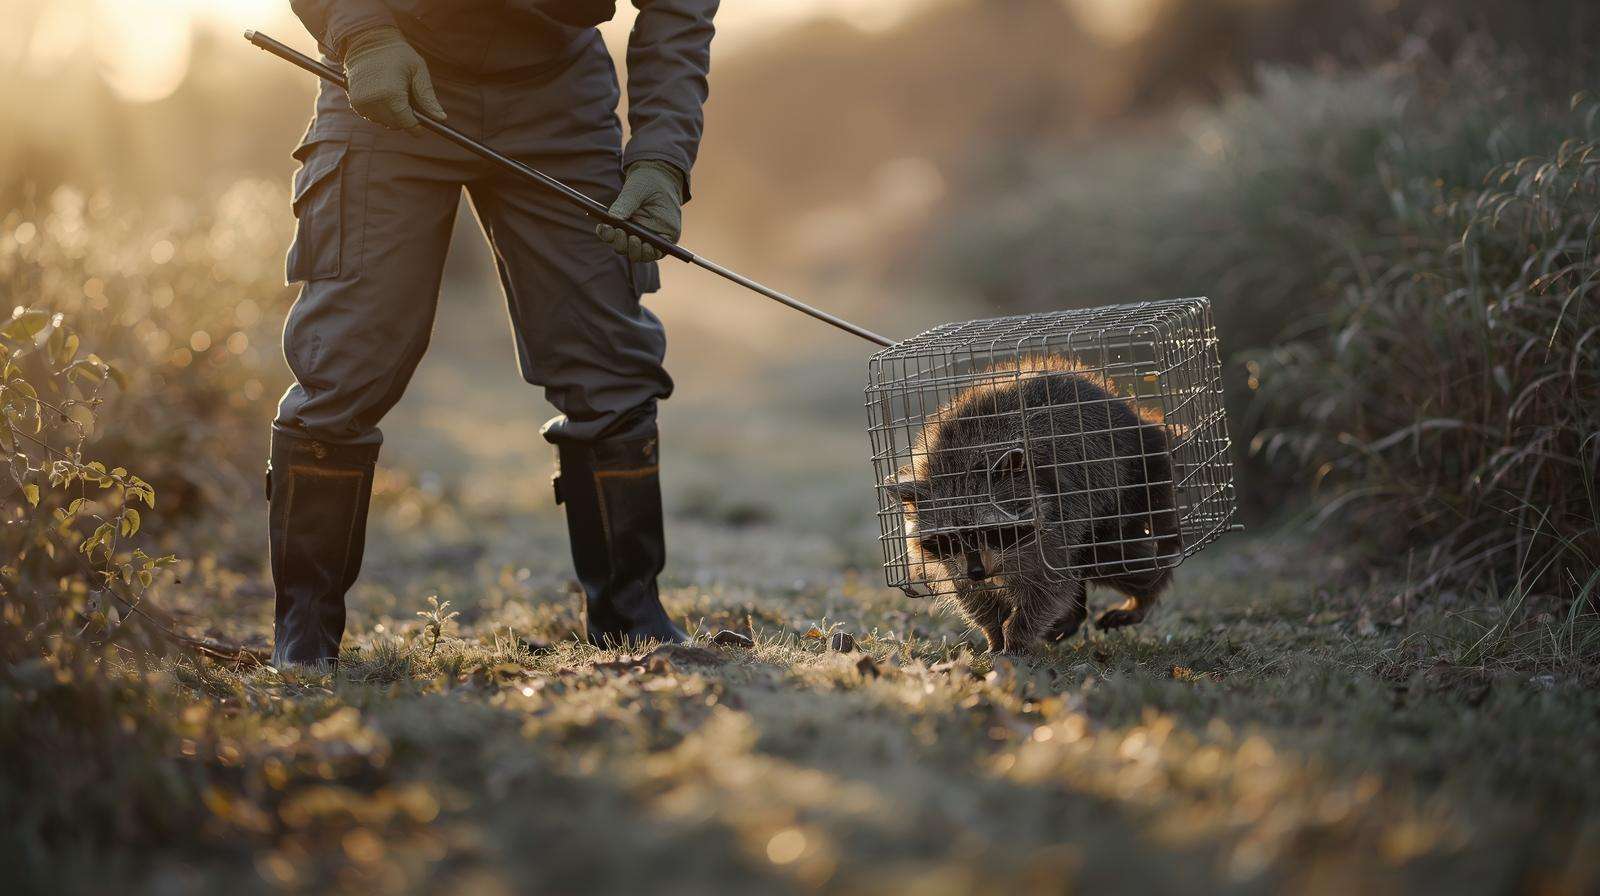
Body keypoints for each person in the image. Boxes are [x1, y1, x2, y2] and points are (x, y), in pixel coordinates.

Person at [269, 0, 718, 666]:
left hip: (558, 91)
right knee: (344, 360)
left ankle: (632, 620)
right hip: (394, 66)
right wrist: (360, 31)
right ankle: (303, 638)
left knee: (609, 362)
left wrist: (660, 159)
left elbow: (679, 9)